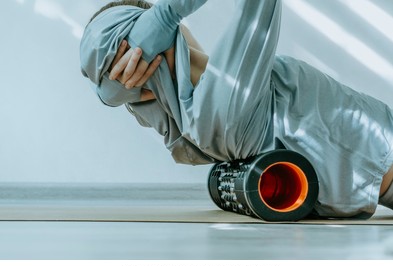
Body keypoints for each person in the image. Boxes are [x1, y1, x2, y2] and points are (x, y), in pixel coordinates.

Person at [80, 0, 393, 219]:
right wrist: (161, 20)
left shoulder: (210, 114)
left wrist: (108, 91)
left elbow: (111, 86)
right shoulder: (220, 109)